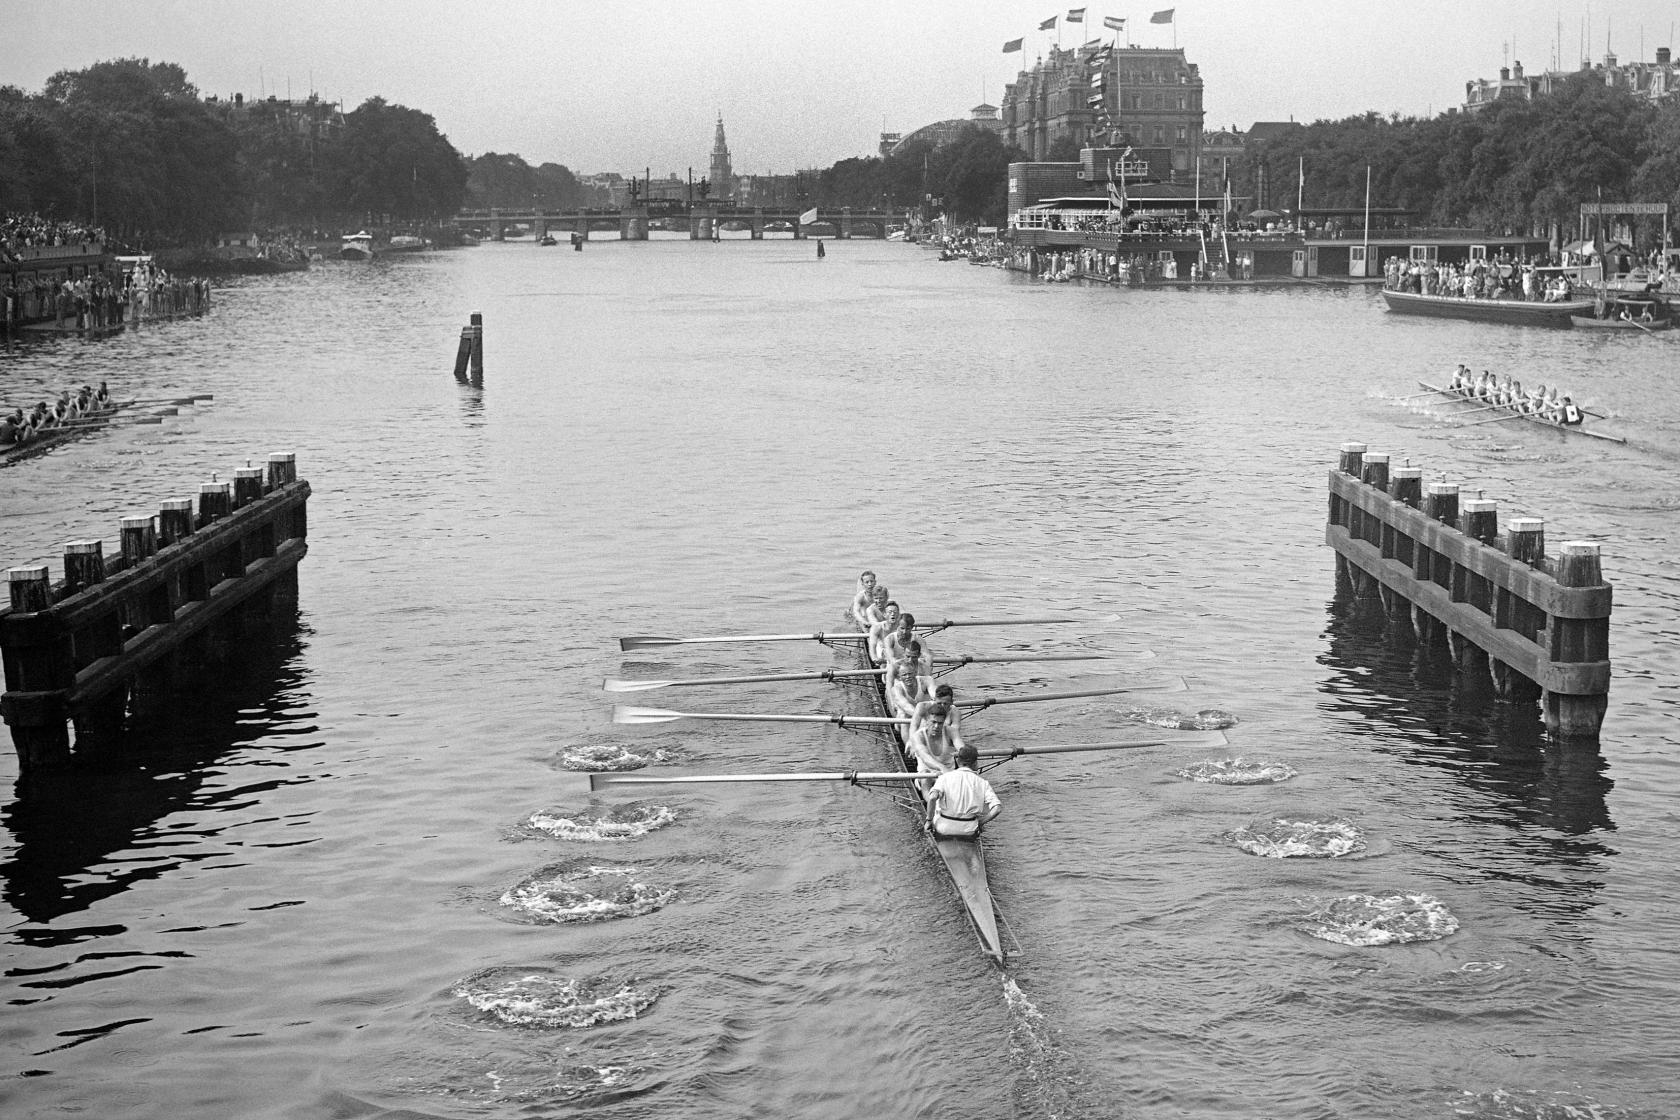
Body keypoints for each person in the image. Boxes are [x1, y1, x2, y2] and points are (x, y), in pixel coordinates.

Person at [924, 744, 1001, 840]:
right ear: (975, 763)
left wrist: (929, 820)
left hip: (943, 829)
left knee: (937, 807)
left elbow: (932, 798)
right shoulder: (983, 783)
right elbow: (997, 808)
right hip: (969, 830)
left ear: (957, 761)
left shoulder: (944, 778)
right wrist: (981, 822)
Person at [906, 699, 958, 780]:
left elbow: (962, 748)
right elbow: (925, 757)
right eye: (933, 722)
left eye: (940, 723)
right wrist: (942, 768)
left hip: (948, 775)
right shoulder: (918, 736)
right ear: (927, 721)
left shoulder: (951, 731)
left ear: (944, 722)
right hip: (927, 774)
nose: (936, 726)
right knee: (925, 778)